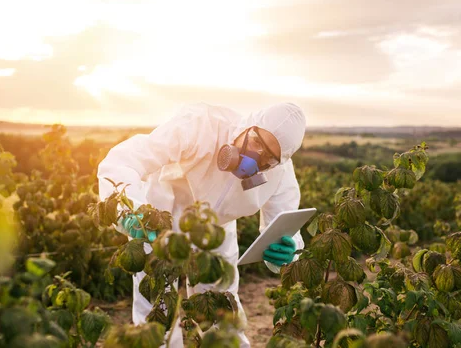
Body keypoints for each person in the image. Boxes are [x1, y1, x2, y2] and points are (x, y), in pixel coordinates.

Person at [97, 102, 307, 347]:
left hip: (215, 231)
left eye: (269, 158)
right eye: (257, 142)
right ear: (249, 125)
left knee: (221, 311)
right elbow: (125, 160)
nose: (257, 158)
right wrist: (130, 210)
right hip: (159, 220)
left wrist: (288, 250)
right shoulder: (199, 125)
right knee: (156, 310)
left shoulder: (280, 173)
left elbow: (284, 225)